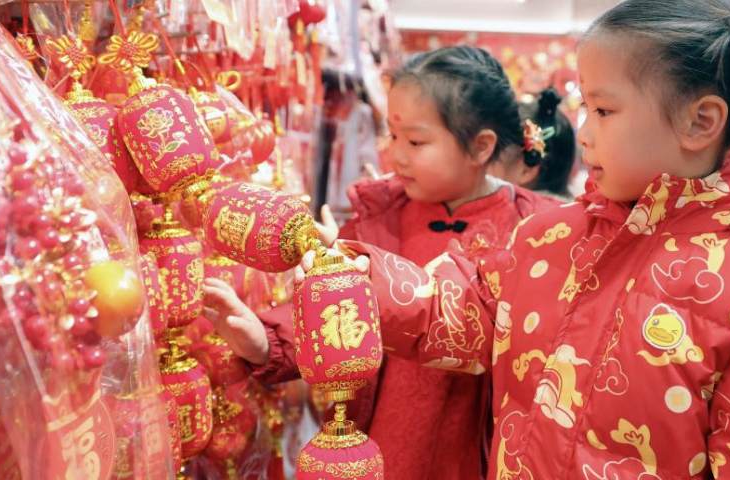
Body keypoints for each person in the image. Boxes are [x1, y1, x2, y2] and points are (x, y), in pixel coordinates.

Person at [305, 1, 730, 478]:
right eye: (585, 107)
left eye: (603, 109)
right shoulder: (550, 233)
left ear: (700, 121)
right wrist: (355, 278)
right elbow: (464, 311)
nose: (584, 132)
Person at [204, 46, 558, 480]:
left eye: (416, 141)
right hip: (383, 443)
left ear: (480, 146)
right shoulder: (379, 219)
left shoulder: (537, 231)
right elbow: (332, 316)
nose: (397, 155)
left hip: (481, 449)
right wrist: (266, 341)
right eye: (392, 136)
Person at [490, 87, 577, 202]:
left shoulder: (518, 217)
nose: (479, 163)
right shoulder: (568, 213)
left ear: (526, 171)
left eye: (491, 157)